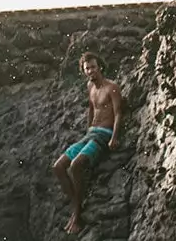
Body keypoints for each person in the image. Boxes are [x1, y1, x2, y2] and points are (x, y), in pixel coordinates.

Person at [52, 52, 123, 234]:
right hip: (90, 134)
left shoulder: (112, 87)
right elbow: (91, 109)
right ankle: (76, 203)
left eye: (93, 67)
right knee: (58, 166)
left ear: (100, 66)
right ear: (84, 71)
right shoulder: (90, 86)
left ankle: (77, 213)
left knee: (76, 166)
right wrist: (87, 130)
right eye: (87, 68)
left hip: (104, 135)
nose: (90, 71)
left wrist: (114, 137)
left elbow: (118, 114)